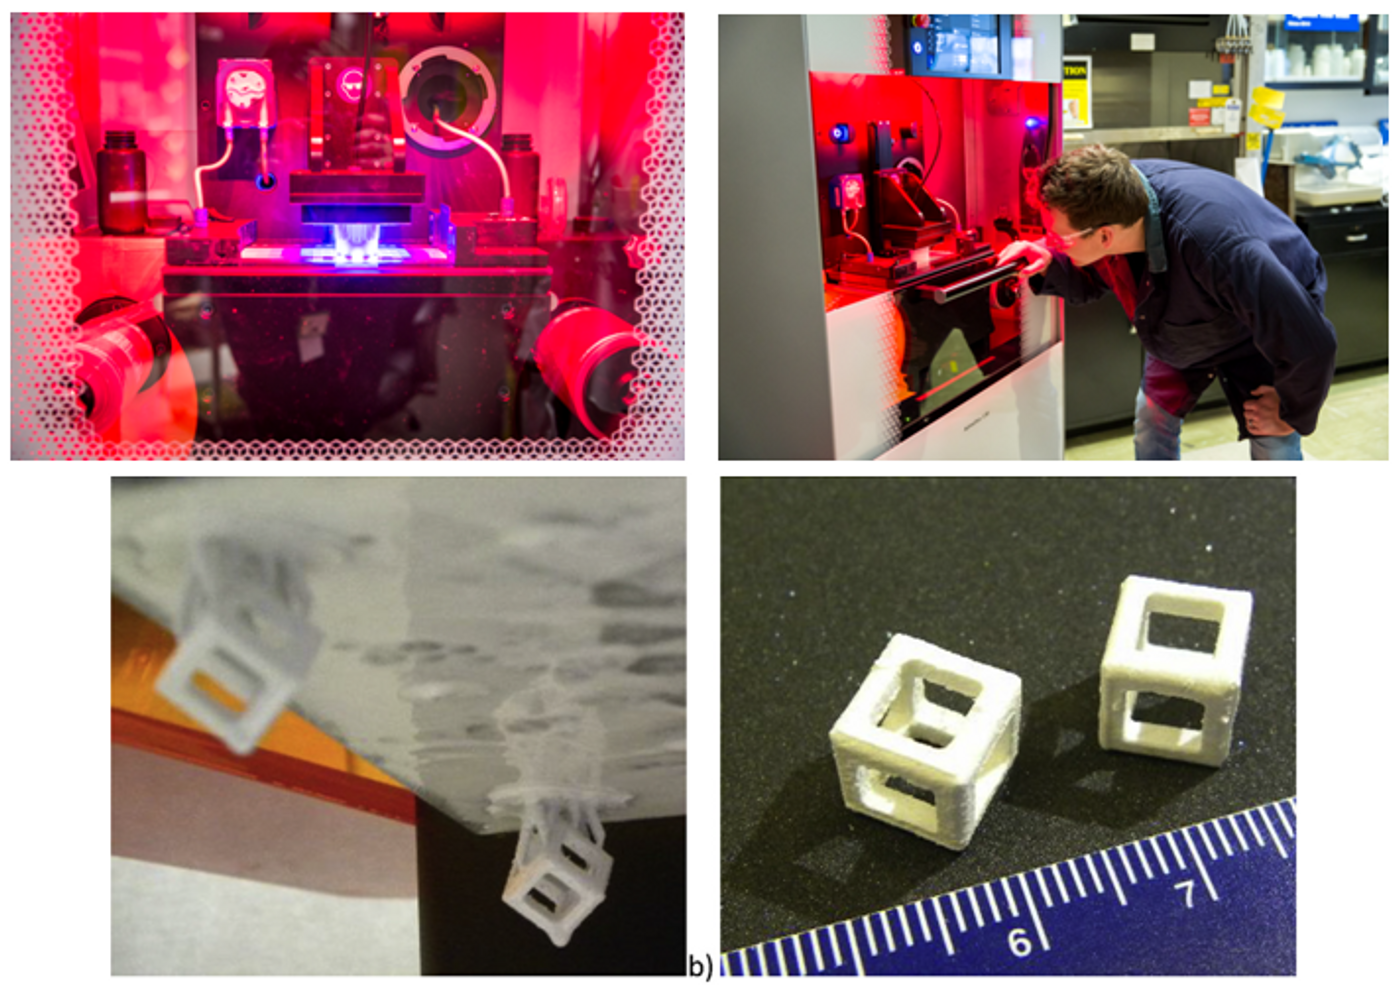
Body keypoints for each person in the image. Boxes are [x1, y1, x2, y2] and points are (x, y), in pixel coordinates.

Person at [998, 145, 1336, 460]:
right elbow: (1094, 276)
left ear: (1105, 236)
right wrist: (1048, 256)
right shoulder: (1113, 199)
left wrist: (1292, 412)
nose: (1053, 241)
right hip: (1181, 323)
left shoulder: (1219, 246)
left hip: (1256, 329)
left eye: (1058, 237)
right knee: (1151, 420)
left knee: (1271, 435)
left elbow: (1310, 343)